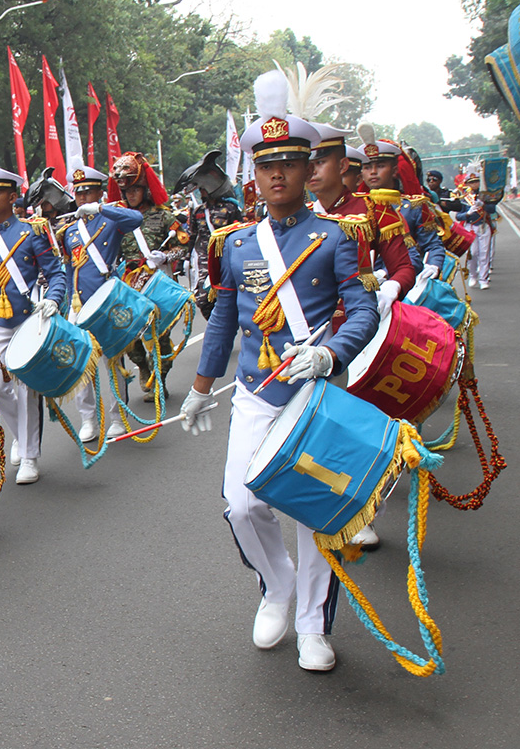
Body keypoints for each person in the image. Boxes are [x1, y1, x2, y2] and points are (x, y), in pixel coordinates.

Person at [180, 70, 379, 672]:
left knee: (312, 510)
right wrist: (198, 387)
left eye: (289, 163)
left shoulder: (336, 235)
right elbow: (221, 322)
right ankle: (277, 586)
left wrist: (331, 354)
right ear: (254, 172)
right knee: (241, 505)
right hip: (254, 392)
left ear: (307, 169)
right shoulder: (235, 243)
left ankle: (314, 626)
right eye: (265, 163)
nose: (276, 174)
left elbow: (364, 310)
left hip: (312, 392)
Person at [0, 145, 66, 485]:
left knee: (26, 389)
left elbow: (56, 273)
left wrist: (53, 299)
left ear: (13, 196)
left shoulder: (32, 231)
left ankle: (29, 454)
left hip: (27, 318)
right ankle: (20, 435)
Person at [57, 173, 143, 441]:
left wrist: (103, 209)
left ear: (98, 194)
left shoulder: (111, 219)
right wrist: (69, 303)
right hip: (79, 304)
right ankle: (88, 419)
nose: (82, 198)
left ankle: (118, 415)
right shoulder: (69, 231)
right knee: (82, 365)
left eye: (88, 193)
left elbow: (136, 220)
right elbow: (70, 268)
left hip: (105, 301)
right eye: (79, 193)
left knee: (113, 361)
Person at [306, 123, 416, 318]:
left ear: (342, 165)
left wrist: (391, 288)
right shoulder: (302, 215)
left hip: (358, 318)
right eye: (307, 164)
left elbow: (403, 267)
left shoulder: (375, 210)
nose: (311, 171)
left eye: (320, 162)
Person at [116, 151, 190, 400]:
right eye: (127, 191)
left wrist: (165, 257)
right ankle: (143, 367)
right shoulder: (119, 219)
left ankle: (160, 380)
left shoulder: (163, 215)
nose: (131, 195)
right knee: (130, 340)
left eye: (136, 189)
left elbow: (184, 244)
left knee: (160, 337)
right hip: (129, 284)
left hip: (158, 282)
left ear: (145, 189)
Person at [358, 126, 444, 282]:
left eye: (381, 166)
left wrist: (433, 265)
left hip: (408, 282)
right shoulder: (355, 208)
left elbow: (432, 245)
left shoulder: (415, 206)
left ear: (394, 170)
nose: (373, 172)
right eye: (367, 167)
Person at [173, 150, 243, 320]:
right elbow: (192, 236)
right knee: (203, 298)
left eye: (203, 188)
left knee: (231, 295)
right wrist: (185, 260)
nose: (201, 192)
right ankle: (216, 323)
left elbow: (240, 233)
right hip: (204, 259)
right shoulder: (197, 212)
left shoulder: (231, 209)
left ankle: (229, 324)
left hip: (227, 256)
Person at [457, 169, 497, 289]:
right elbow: (459, 216)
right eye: (471, 182)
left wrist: (483, 204)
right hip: (470, 226)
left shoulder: (485, 196)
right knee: (473, 253)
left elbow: (492, 209)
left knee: (484, 253)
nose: (474, 185)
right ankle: (473, 275)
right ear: (467, 184)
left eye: (476, 182)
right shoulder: (464, 198)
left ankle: (483, 279)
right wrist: (467, 214)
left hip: (483, 225)